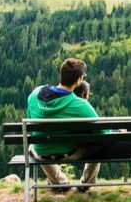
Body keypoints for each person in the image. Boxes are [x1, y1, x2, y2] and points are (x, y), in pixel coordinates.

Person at [26, 58, 101, 191]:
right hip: (68, 152)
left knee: (36, 146)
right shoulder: (80, 105)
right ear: (79, 80)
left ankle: (60, 183)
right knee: (98, 146)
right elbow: (103, 133)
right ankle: (85, 184)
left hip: (41, 152)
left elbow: (30, 119)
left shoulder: (34, 94)